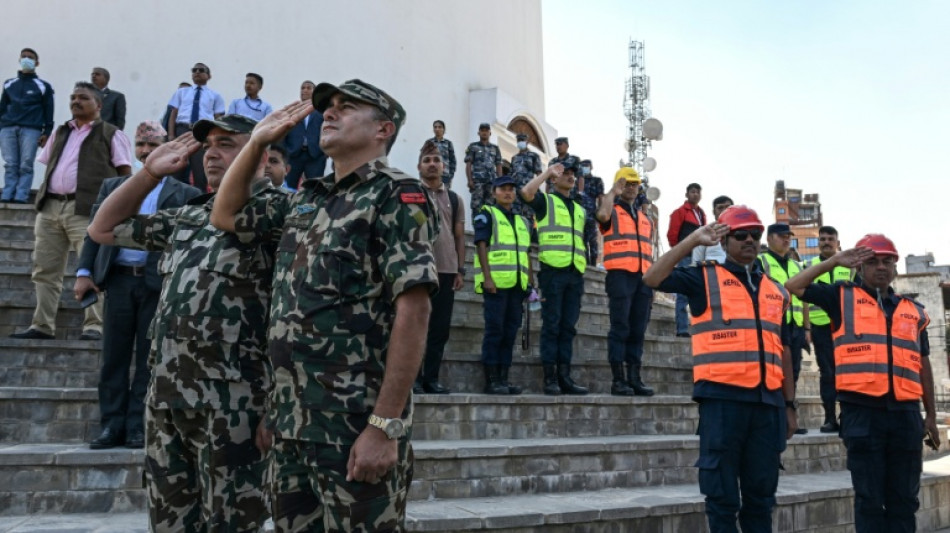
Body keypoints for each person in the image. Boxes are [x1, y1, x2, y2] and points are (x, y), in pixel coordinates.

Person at [210, 80, 437, 531]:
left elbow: (414, 311)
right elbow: (225, 215)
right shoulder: (306, 199)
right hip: (291, 424)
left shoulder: (397, 194)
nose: (329, 113)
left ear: (383, 130)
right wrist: (256, 143)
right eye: (327, 107)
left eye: (346, 107)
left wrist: (384, 425)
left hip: (353, 424)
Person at [87, 114, 277, 532]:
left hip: (235, 406)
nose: (212, 151)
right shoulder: (190, 216)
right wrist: (149, 173)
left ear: (261, 155)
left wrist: (277, 407)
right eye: (209, 144)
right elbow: (103, 228)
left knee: (231, 524)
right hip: (168, 401)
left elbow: (294, 319)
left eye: (228, 144)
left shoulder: (280, 215)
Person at [644, 205, 797, 532]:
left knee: (761, 498)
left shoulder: (775, 290)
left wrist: (789, 405)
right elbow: (652, 277)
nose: (749, 241)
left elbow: (782, 350)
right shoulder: (704, 277)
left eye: (755, 235)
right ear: (724, 241)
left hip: (767, 404)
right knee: (722, 498)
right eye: (740, 235)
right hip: (722, 402)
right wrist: (692, 242)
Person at [786, 233, 939, 533]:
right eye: (872, 261)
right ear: (859, 266)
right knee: (869, 500)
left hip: (906, 415)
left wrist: (931, 414)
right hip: (863, 414)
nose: (880, 267)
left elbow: (923, 365)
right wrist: (833, 260)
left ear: (896, 267)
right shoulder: (840, 297)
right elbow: (794, 286)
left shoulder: (914, 311)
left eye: (887, 261)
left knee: (904, 501)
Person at [75, 121, 201, 449]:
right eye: (141, 145)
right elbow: (94, 230)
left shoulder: (185, 194)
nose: (146, 151)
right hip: (117, 282)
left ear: (165, 148)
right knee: (113, 358)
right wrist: (84, 272)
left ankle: (136, 426)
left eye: (153, 144)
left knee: (148, 359)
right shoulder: (114, 187)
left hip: (157, 286)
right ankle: (110, 426)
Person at [10, 82, 132, 341]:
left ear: (98, 105)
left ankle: (94, 326)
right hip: (51, 207)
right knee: (44, 269)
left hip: (87, 209)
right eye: (73, 97)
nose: (76, 102)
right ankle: (41, 325)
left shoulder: (111, 134)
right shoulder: (61, 131)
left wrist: (114, 210)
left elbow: (125, 175)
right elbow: (50, 164)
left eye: (83, 98)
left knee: (92, 269)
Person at [520, 162, 588, 396]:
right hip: (552, 272)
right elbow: (527, 193)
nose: (570, 177)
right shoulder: (546, 201)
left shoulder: (579, 208)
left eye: (572, 174)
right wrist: (547, 173)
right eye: (564, 174)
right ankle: (550, 378)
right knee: (552, 325)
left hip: (575, 272)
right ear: (554, 179)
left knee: (568, 327)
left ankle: (565, 376)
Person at [597, 168, 654, 396]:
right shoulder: (612, 209)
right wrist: (613, 192)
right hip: (620, 276)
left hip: (644, 279)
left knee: (638, 330)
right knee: (620, 328)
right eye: (626, 184)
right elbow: (601, 216)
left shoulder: (644, 219)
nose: (631, 188)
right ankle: (618, 379)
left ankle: (634, 377)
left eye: (634, 184)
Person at [415, 140, 465, 395]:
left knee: (439, 329)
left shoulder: (455, 199)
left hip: (446, 270)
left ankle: (431, 379)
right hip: (416, 270)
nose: (432, 165)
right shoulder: (410, 194)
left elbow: (458, 236)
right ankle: (412, 379)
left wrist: (460, 269)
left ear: (444, 167)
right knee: (413, 327)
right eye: (427, 160)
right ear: (419, 166)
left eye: (436, 160)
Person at [474, 175, 530, 395]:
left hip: (517, 286)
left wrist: (530, 283)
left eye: (511, 190)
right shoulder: (487, 214)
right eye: (503, 189)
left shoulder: (522, 221)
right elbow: (481, 246)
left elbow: (525, 253)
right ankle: (491, 379)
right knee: (495, 331)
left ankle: (504, 378)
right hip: (496, 285)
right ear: (494, 193)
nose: (508, 193)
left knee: (510, 332)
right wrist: (487, 278)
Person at [758, 223, 809, 434]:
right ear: (769, 239)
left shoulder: (797, 266)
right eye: (781, 236)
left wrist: (807, 328)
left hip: (795, 324)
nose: (786, 240)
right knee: (772, 370)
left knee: (793, 371)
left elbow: (805, 298)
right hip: (772, 324)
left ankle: (789, 414)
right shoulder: (761, 261)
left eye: (789, 236)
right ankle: (775, 416)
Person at [804, 226, 853, 432]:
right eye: (822, 239)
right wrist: (807, 328)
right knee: (828, 374)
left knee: (847, 374)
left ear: (837, 242)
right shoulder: (809, 265)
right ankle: (830, 418)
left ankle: (847, 417)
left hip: (846, 329)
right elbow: (803, 298)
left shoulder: (850, 266)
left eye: (830, 239)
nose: (826, 242)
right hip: (821, 328)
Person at [1, 47, 54, 204]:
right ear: (19, 60)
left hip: (32, 129)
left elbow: (48, 109)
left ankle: (21, 196)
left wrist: (47, 131)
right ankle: (7, 194)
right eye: (23, 56)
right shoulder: (9, 84)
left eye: (30, 57)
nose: (26, 59)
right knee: (10, 163)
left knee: (26, 164)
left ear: (37, 63)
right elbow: (2, 107)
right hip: (8, 128)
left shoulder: (43, 86)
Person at [166, 62, 225, 191]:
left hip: (202, 132)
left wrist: (218, 140)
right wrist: (171, 134)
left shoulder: (215, 96)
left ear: (209, 76)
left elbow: (218, 119)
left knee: (200, 170)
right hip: (182, 129)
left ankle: (200, 200)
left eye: (201, 70)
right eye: (194, 70)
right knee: (176, 168)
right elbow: (173, 114)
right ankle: (174, 201)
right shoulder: (182, 92)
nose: (197, 72)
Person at [666, 182, 706, 337]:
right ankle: (682, 329)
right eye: (693, 191)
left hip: (700, 258)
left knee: (700, 292)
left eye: (698, 192)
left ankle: (699, 327)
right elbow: (672, 236)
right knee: (683, 294)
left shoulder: (702, 214)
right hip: (685, 258)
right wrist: (679, 253)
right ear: (687, 194)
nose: (695, 194)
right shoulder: (679, 212)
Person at [282, 80, 326, 189]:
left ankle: (312, 206)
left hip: (315, 156)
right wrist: (285, 152)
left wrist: (324, 153)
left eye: (308, 88)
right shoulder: (292, 111)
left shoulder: (322, 112)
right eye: (302, 88)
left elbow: (326, 132)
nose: (305, 90)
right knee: (288, 187)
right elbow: (283, 132)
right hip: (293, 155)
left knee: (315, 188)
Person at [464, 122, 502, 216]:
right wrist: (469, 180)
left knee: (490, 206)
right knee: (476, 206)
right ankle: (477, 228)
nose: (484, 132)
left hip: (491, 182)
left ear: (490, 133)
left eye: (486, 130)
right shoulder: (473, 147)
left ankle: (489, 227)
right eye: (482, 130)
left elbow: (498, 165)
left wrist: (500, 182)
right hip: (477, 182)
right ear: (478, 133)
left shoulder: (495, 148)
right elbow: (468, 164)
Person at [576, 159, 604, 267]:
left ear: (591, 167)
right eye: (583, 166)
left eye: (587, 166)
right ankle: (585, 262)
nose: (585, 168)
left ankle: (593, 263)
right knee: (581, 240)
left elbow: (601, 197)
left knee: (593, 241)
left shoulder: (597, 181)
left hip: (592, 215)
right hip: (579, 216)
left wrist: (600, 213)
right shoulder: (577, 181)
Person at [509, 132, 542, 220]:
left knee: (528, 215)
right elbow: (510, 174)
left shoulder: (534, 156)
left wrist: (536, 188)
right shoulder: (514, 158)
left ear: (527, 142)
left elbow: (539, 174)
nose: (520, 142)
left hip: (528, 190)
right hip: (516, 191)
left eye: (522, 140)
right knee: (515, 215)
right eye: (519, 140)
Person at [692, 195, 733, 264]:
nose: (724, 211)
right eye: (720, 208)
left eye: (728, 207)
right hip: (712, 273)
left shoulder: (745, 232)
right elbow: (697, 262)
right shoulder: (704, 232)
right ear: (714, 212)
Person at [427, 119, 456, 187]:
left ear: (443, 129)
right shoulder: (429, 143)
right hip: (432, 175)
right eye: (435, 127)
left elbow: (452, 160)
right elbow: (424, 159)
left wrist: (451, 175)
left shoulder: (448, 143)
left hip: (445, 175)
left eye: (439, 127)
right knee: (431, 196)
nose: (437, 129)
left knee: (444, 196)